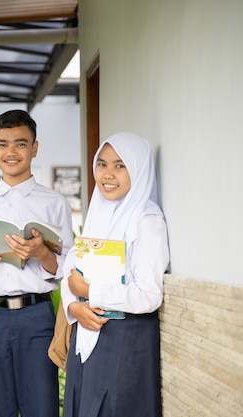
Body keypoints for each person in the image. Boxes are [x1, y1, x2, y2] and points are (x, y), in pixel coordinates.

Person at [0, 109, 74, 417]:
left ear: (35, 148)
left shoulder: (55, 203)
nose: (11, 152)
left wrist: (40, 253)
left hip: (37, 316)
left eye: (21, 144)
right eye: (3, 143)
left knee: (42, 407)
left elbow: (69, 267)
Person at [60, 132, 170, 417]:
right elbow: (70, 270)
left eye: (120, 165)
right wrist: (74, 306)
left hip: (125, 342)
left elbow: (148, 295)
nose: (108, 174)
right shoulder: (99, 211)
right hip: (88, 337)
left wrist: (88, 292)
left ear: (139, 169)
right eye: (103, 164)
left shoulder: (146, 220)